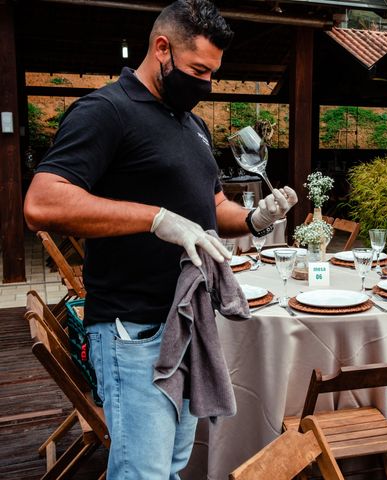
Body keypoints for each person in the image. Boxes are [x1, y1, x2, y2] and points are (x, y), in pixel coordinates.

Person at [23, 1, 297, 478]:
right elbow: (42, 203)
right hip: (133, 331)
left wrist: (255, 218)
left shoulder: (191, 124)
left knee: (171, 468)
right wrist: (155, 219)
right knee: (142, 473)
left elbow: (210, 208)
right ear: (162, 48)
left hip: (185, 325)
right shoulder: (107, 110)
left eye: (213, 74)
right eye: (198, 70)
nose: (205, 84)